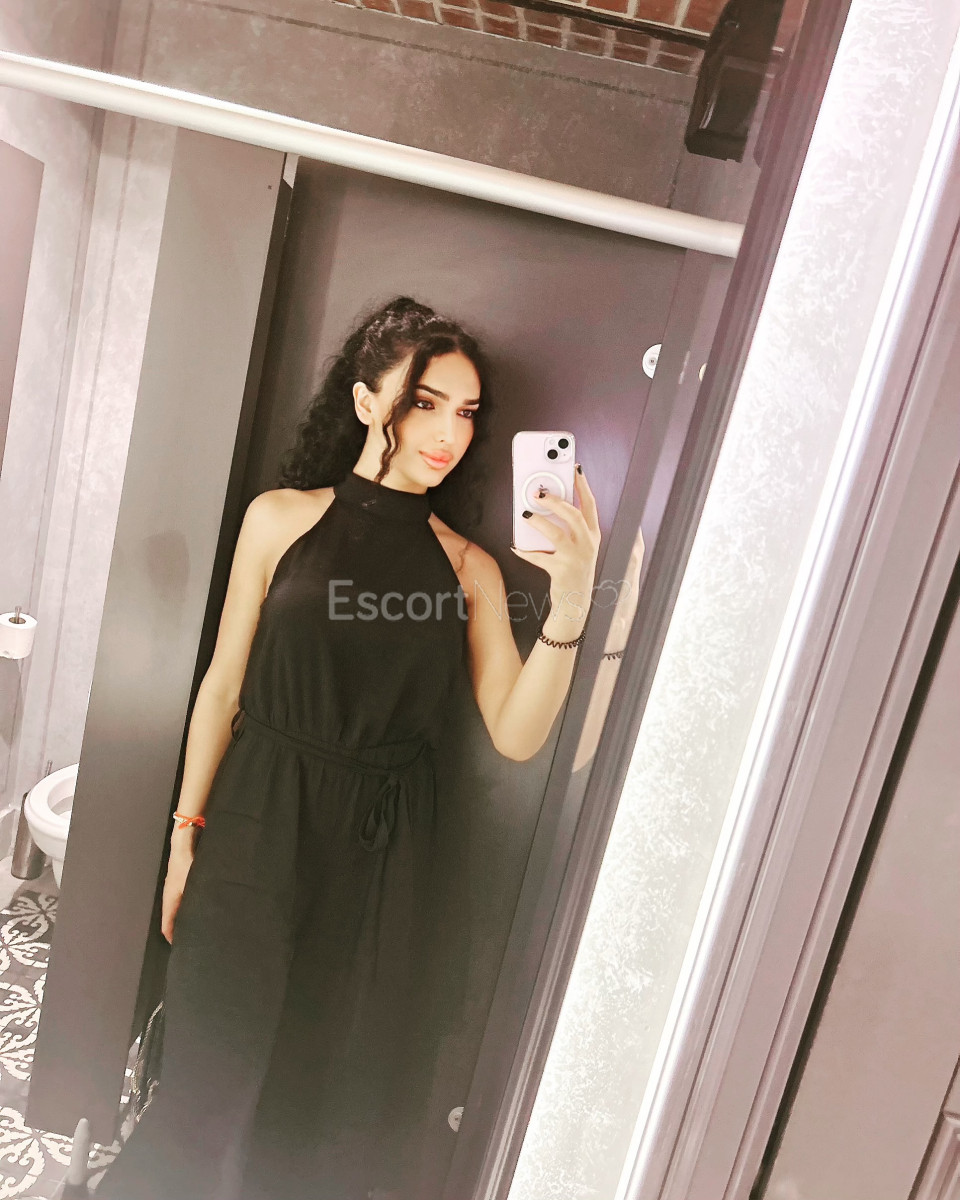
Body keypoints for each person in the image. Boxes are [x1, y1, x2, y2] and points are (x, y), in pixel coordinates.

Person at [94, 296, 602, 1200]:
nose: (448, 432)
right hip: (255, 826)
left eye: (466, 411)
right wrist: (184, 837)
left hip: (377, 862)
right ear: (369, 400)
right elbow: (223, 686)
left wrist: (570, 602)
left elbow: (517, 733)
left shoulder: (468, 568)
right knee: (201, 1099)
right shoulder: (280, 519)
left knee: (302, 1122)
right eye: (425, 402)